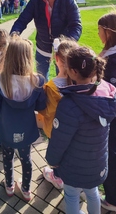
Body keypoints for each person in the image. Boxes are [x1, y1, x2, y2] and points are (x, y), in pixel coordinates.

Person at [46, 46, 116, 214]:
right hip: (98, 163)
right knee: (93, 193)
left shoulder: (69, 105)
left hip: (74, 167)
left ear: (73, 71)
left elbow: (59, 140)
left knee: (71, 195)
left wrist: (52, 159)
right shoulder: (108, 92)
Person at [0, 35, 47, 201]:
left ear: (8, 56)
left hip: (6, 128)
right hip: (26, 129)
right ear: (29, 57)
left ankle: (9, 186)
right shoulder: (37, 81)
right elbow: (41, 107)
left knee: (7, 157)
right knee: (26, 159)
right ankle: (27, 190)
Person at [10, 0, 82, 81]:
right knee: (40, 82)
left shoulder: (68, 0)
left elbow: (76, 26)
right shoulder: (35, 0)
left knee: (64, 82)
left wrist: (67, 44)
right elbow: (22, 20)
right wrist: (14, 34)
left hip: (63, 52)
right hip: (42, 48)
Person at [39, 37, 78, 189]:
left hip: (55, 130)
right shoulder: (81, 83)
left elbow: (45, 111)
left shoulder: (50, 87)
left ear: (56, 59)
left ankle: (57, 177)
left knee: (57, 153)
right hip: (76, 131)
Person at [98, 12, 116, 212]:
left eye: (100, 30)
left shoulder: (111, 63)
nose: (98, 34)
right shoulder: (109, 55)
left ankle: (112, 199)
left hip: (111, 120)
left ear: (108, 32)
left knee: (111, 154)